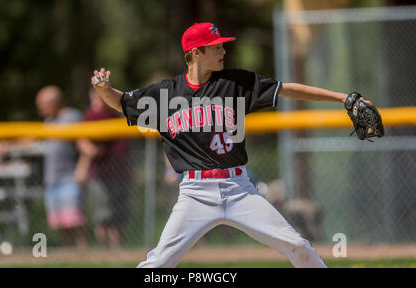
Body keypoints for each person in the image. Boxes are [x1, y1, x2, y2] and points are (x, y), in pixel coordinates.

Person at [90, 22, 374, 268]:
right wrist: (104, 89)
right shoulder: (165, 94)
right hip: (194, 194)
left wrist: (341, 98)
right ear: (195, 53)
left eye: (222, 46)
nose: (223, 51)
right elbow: (122, 102)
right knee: (160, 262)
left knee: (297, 245)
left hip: (239, 190)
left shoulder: (236, 83)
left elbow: (286, 89)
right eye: (215, 47)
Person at [75, 89, 132, 248]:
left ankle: (117, 247)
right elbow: (82, 141)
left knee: (118, 214)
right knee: (103, 214)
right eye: (96, 99)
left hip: (119, 173)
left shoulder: (114, 115)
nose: (99, 103)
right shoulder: (90, 117)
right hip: (100, 173)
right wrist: (87, 156)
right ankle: (104, 248)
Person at [35, 85, 88, 248]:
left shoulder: (72, 117)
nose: (40, 109)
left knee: (75, 222)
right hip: (52, 179)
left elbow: (85, 145)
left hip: (69, 177)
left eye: (43, 105)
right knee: (62, 224)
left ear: (55, 103)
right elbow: (35, 139)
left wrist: (83, 168)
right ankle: (70, 257)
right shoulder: (49, 121)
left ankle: (86, 256)